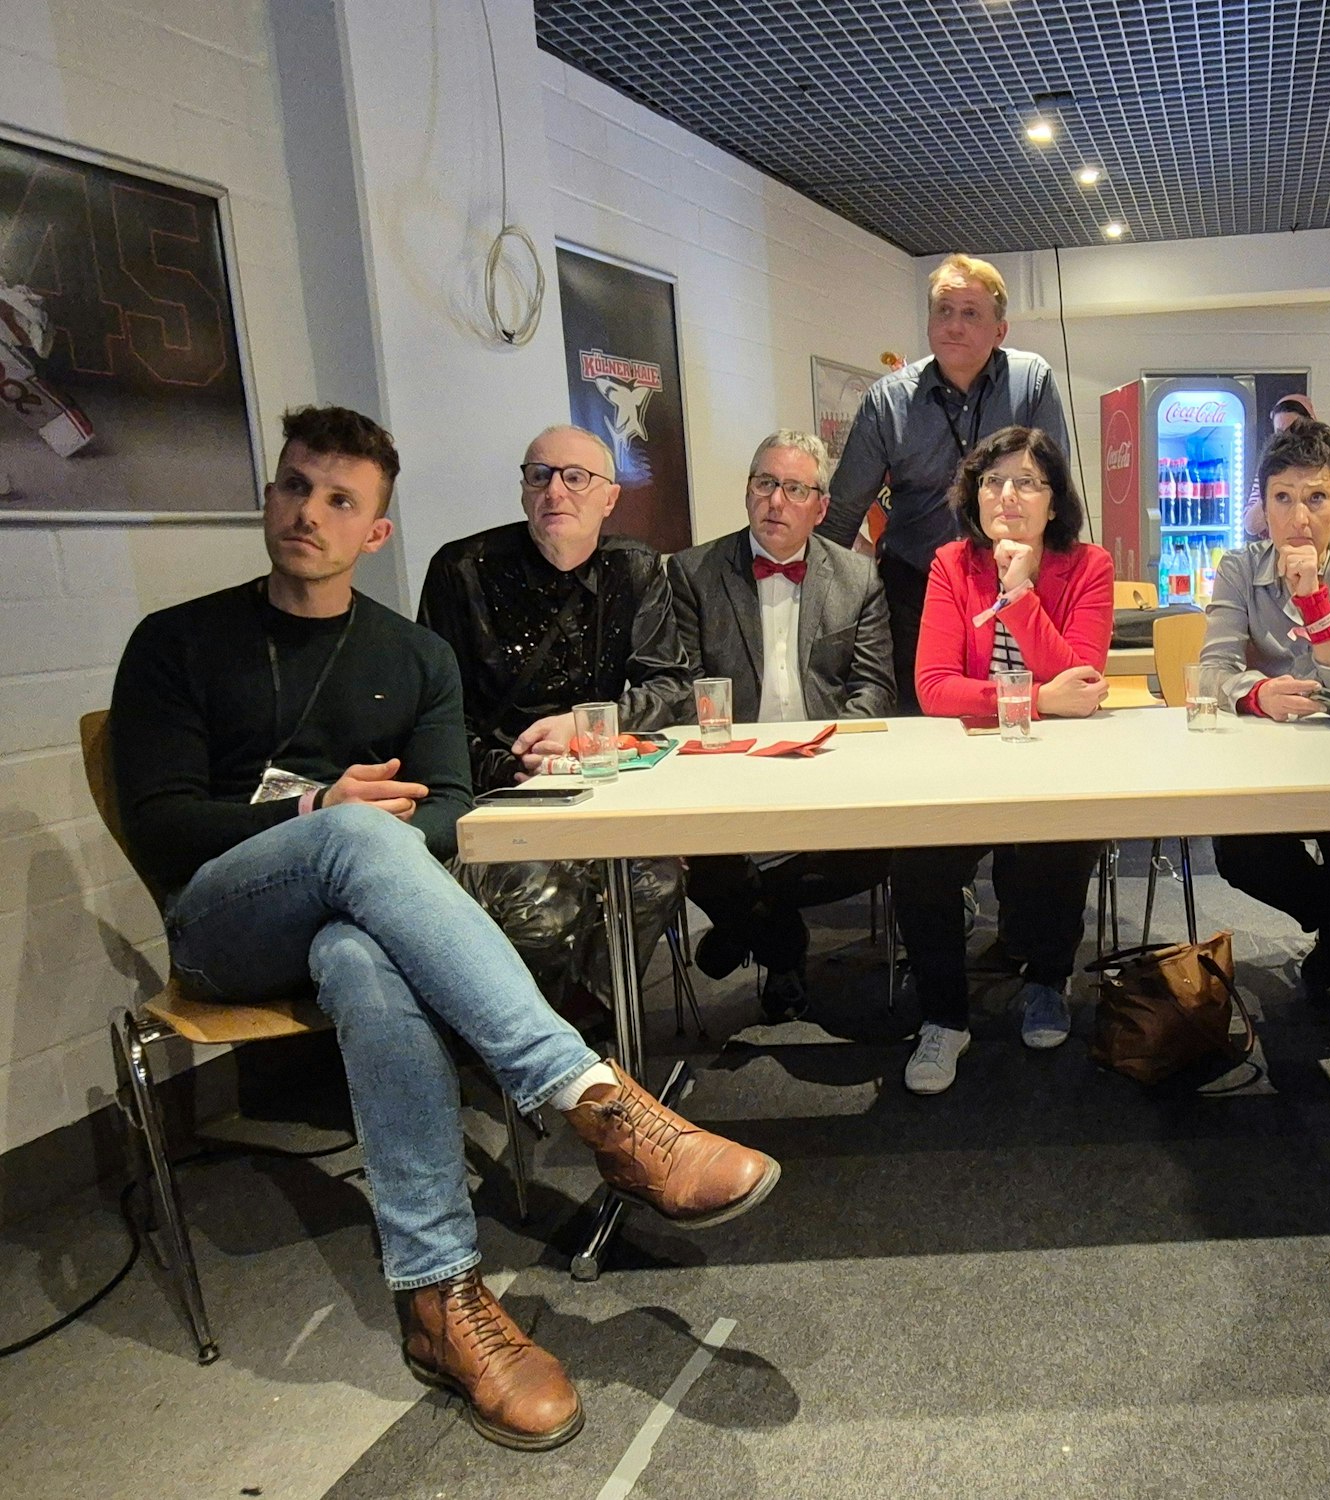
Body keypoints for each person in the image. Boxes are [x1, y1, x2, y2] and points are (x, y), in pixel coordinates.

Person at [110, 406, 779, 1452]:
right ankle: (594, 1098)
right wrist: (310, 816)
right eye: (295, 486)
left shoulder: (411, 654)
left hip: (347, 920)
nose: (308, 512)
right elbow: (159, 828)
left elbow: (446, 806)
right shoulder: (176, 643)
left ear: (375, 532)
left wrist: (358, 831)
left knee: (361, 949)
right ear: (269, 495)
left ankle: (441, 1303)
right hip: (222, 920)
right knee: (357, 844)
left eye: (341, 500)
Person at [419, 425, 692, 1011]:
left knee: (658, 878)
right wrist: (514, 765)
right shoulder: (461, 571)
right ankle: (535, 1045)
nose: (555, 492)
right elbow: (435, 718)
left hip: (596, 784)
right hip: (496, 792)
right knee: (544, 906)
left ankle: (588, 1032)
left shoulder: (636, 568)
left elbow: (671, 686)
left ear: (609, 499)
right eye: (538, 476)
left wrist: (589, 726)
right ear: (523, 491)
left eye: (575, 478)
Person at [895, 425, 1113, 1094]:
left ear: (1055, 501)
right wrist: (1034, 695)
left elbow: (1083, 680)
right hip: (970, 757)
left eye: (1027, 481)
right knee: (920, 857)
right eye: (993, 481)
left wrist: (1020, 596)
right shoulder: (950, 564)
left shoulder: (1089, 566)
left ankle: (1047, 980)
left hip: (1054, 760)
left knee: (1062, 843)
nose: (1007, 495)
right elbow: (933, 688)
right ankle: (944, 1017)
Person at [667, 430, 898, 1019]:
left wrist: (827, 756)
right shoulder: (693, 572)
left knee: (877, 853)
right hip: (730, 775)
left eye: (795, 489)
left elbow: (873, 689)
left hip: (824, 769)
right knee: (695, 861)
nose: (776, 500)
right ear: (747, 492)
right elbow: (685, 692)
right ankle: (783, 945)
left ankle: (746, 930)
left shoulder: (857, 578)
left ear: (821, 507)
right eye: (765, 483)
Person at [1200, 419, 1330, 1015]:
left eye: (1316, 497)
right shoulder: (1240, 566)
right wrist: (1258, 694)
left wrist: (1314, 597)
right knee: (1240, 857)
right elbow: (1211, 672)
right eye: (1282, 498)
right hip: (1267, 760)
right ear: (1262, 506)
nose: (1299, 517)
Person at [819, 253, 1071, 710]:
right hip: (916, 590)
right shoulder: (888, 401)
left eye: (971, 313)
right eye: (944, 310)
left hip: (1017, 580)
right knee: (926, 718)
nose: (953, 325)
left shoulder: (1031, 381)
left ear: (1000, 330)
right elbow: (840, 515)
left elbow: (1053, 486)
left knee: (1032, 711)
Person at [1242, 392, 1317, 543]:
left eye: (1294, 431)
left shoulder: (1324, 468)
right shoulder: (1268, 468)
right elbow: (1250, 525)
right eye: (1280, 434)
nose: (1288, 440)